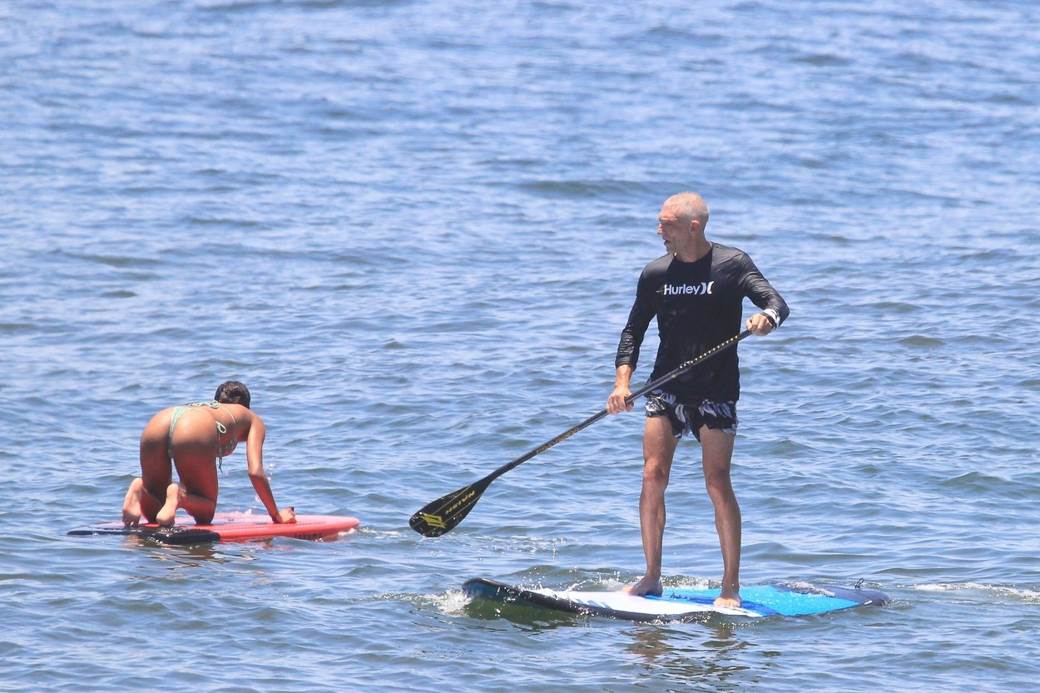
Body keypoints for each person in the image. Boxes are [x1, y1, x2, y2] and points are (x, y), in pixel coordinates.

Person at [606, 192, 788, 607]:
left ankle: (730, 587)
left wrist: (766, 319)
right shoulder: (655, 273)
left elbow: (777, 302)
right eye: (658, 223)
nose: (658, 231)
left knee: (716, 481)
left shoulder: (732, 264)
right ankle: (652, 577)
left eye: (666, 224)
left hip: (715, 389)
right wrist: (622, 384)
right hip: (666, 386)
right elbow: (632, 331)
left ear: (693, 226)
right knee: (652, 475)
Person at [121, 381, 296, 527]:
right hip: (194, 425)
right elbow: (255, 472)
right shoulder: (252, 418)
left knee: (156, 510)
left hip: (161, 419)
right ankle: (178, 496)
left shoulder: (209, 408)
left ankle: (140, 490)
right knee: (205, 513)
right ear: (247, 405)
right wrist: (276, 515)